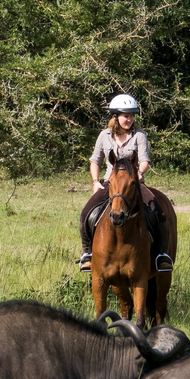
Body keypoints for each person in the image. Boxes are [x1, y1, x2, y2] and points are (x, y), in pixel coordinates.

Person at [78, 94, 172, 273]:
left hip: (134, 184)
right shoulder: (104, 136)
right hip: (110, 184)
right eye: (125, 115)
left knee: (159, 212)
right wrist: (95, 182)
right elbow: (95, 161)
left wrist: (138, 173)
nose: (129, 119)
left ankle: (162, 255)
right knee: (86, 213)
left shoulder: (139, 135)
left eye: (131, 116)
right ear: (116, 116)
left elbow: (144, 160)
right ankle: (87, 254)